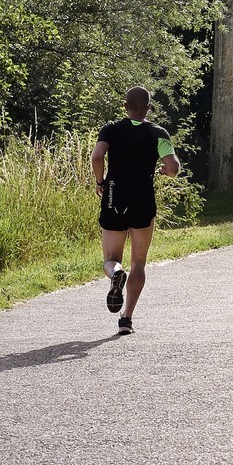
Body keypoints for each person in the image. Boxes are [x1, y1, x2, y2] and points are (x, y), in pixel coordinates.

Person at [90, 85, 180, 334]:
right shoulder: (158, 133)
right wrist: (165, 169)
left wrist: (100, 182)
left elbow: (97, 157)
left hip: (114, 196)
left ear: (125, 107)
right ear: (148, 108)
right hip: (143, 198)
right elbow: (172, 168)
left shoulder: (110, 130)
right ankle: (126, 319)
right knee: (139, 262)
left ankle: (116, 273)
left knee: (110, 259)